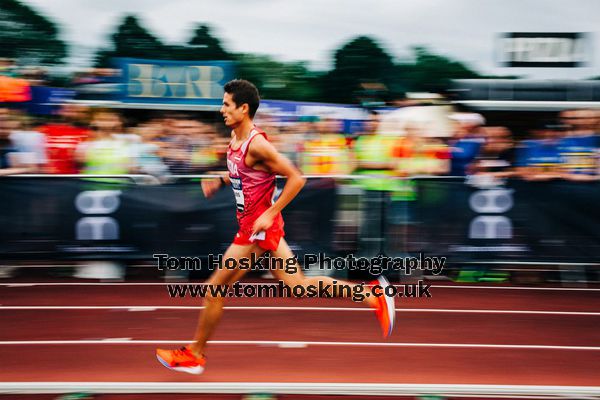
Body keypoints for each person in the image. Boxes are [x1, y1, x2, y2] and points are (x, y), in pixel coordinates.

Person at [156, 79, 395, 375]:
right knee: (298, 286)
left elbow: (297, 177)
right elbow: (244, 172)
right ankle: (372, 295)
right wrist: (221, 179)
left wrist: (270, 212)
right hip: (256, 228)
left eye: (226, 105)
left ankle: (195, 354)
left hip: (257, 231)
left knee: (215, 287)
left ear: (243, 109)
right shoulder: (235, 141)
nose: (221, 110)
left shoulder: (258, 144)